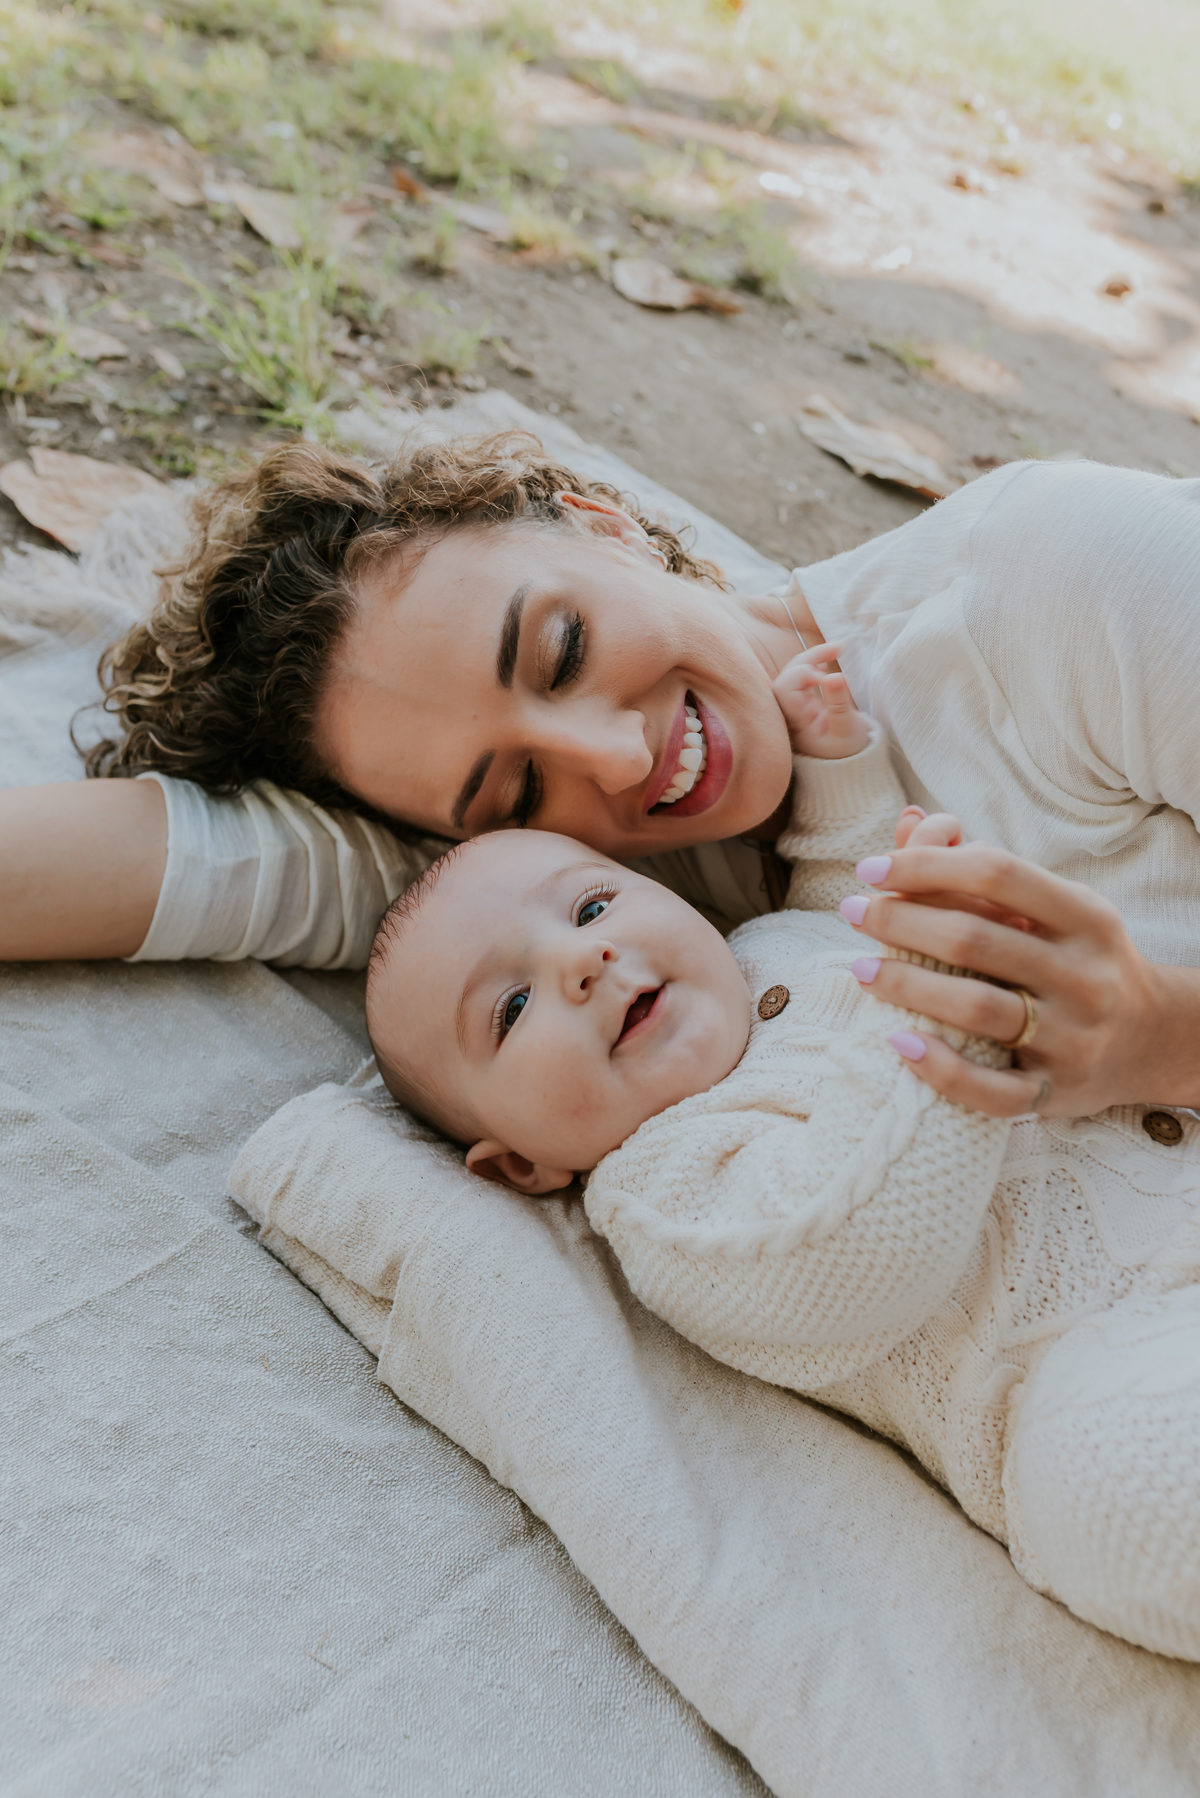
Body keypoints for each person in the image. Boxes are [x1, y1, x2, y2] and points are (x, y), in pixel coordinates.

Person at [361, 658, 1200, 1662]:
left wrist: (840, 761)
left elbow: (847, 874)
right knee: (1097, 1487)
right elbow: (852, 1250)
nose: (580, 960)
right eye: (510, 1008)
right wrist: (949, 996)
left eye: (589, 909)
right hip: (1088, 1357)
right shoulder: (660, 1193)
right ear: (522, 1165)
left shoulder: (777, 939)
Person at [3, 430, 1200, 1121]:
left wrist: (1159, 1036)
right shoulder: (583, 914)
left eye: (562, 647)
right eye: (515, 792)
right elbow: (201, 865)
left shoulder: (1061, 582)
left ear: (605, 524)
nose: (619, 757)